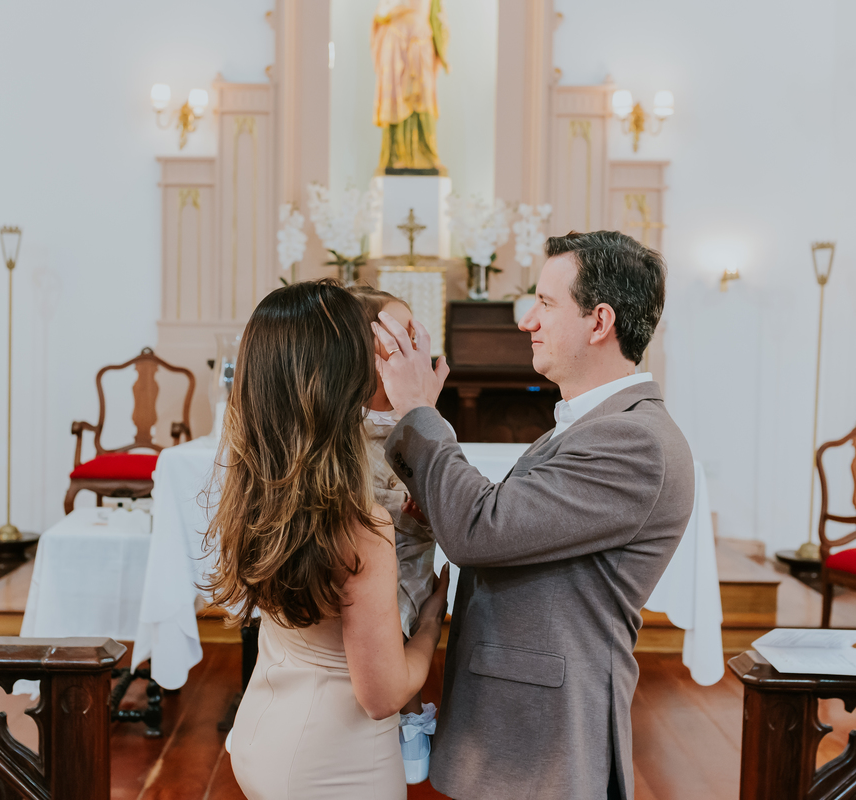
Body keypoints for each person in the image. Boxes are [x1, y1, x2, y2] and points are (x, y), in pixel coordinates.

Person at [373, 230, 695, 799]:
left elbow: (480, 530)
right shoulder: (591, 424)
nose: (527, 321)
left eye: (545, 303)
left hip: (543, 741)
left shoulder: (633, 439)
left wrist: (418, 409)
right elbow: (508, 532)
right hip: (518, 720)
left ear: (599, 322)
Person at [205, 279, 449, 800]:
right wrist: (431, 623)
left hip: (262, 729)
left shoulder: (262, 488)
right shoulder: (360, 528)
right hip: (336, 763)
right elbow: (383, 695)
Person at [349, 285, 441, 784]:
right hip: (363, 560)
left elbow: (442, 485)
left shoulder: (419, 415)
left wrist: (425, 511)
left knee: (408, 619)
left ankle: (411, 715)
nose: (409, 349)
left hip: (411, 553)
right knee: (380, 625)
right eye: (395, 339)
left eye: (413, 337)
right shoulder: (346, 424)